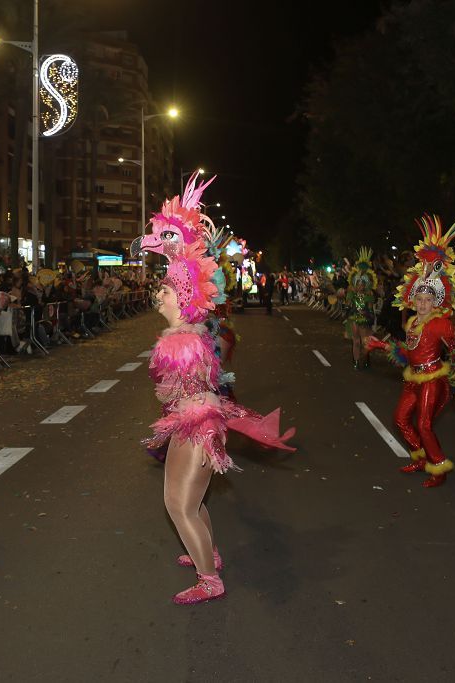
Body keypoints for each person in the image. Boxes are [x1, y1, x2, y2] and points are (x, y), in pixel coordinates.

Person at [137, 175, 295, 604]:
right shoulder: (189, 333)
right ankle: (206, 550)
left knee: (178, 505)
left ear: (181, 297)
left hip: (195, 424)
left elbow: (182, 391)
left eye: (165, 290)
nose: (159, 296)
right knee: (190, 498)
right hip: (193, 421)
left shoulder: (181, 340)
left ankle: (210, 580)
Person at [368, 216, 455, 487]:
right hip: (412, 378)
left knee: (425, 424)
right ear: (414, 299)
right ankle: (419, 456)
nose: (424, 303)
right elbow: (408, 352)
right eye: (420, 299)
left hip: (432, 379)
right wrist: (382, 345)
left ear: (435, 301)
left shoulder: (440, 323)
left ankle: (438, 468)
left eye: (429, 299)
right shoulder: (413, 322)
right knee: (400, 419)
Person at [343, 247, 378, 369]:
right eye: (358, 283)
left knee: (365, 342)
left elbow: (370, 309)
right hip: (353, 318)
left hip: (365, 319)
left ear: (365, 284)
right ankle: (356, 361)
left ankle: (366, 358)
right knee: (356, 341)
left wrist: (365, 314)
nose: (360, 285)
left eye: (362, 283)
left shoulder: (369, 295)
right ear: (355, 284)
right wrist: (348, 300)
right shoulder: (351, 294)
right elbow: (347, 306)